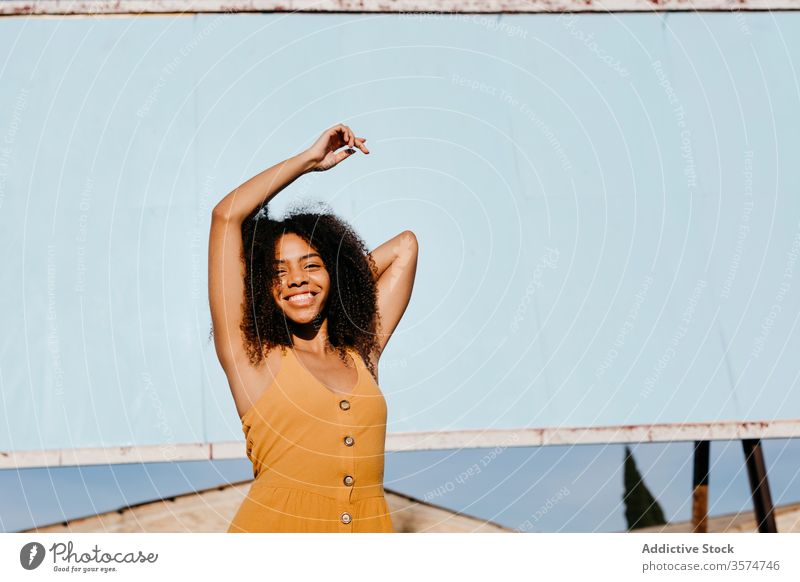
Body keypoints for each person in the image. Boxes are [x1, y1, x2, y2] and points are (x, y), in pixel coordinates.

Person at [208, 123, 418, 532]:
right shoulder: (251, 357)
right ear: (262, 289)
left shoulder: (361, 353)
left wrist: (340, 284)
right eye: (279, 272)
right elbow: (225, 216)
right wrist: (307, 161)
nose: (297, 279)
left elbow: (405, 247)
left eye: (310, 266)